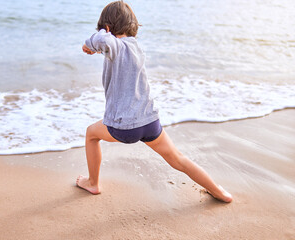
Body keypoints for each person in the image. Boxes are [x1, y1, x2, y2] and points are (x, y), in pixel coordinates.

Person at [77, 0, 233, 203]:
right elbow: (110, 46)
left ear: (107, 28)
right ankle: (219, 191)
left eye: (104, 30)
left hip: (125, 126)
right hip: (150, 122)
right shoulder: (135, 48)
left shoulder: (114, 45)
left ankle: (93, 183)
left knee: (91, 134)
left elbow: (105, 42)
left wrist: (88, 45)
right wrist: (99, 46)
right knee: (178, 158)